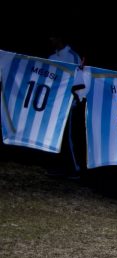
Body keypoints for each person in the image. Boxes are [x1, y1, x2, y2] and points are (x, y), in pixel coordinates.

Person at [47, 35, 82, 178]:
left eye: (53, 37)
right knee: (55, 135)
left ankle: (75, 168)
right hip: (53, 102)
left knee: (68, 136)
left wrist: (75, 100)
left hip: (67, 102)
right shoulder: (51, 57)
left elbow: (78, 79)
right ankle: (61, 166)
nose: (50, 40)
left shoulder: (72, 56)